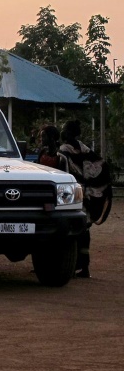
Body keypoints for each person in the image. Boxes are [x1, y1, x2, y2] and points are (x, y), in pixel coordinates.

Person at [58, 119, 113, 279]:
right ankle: (84, 266)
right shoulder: (85, 150)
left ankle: (74, 265)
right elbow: (101, 166)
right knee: (84, 231)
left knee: (73, 231)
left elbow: (64, 174)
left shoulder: (64, 151)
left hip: (73, 195)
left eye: (65, 129)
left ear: (69, 133)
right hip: (87, 195)